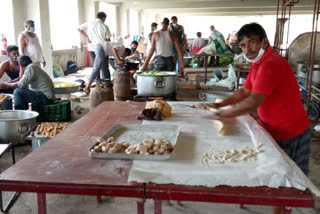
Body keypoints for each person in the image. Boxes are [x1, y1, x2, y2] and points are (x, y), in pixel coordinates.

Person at [195, 23, 310, 214]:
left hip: (292, 132)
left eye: (252, 43)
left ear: (264, 41)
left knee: (290, 185)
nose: (247, 49)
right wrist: (218, 105)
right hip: (274, 129)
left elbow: (252, 102)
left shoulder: (271, 64)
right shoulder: (259, 64)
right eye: (243, 45)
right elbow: (244, 92)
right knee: (278, 179)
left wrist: (220, 114)